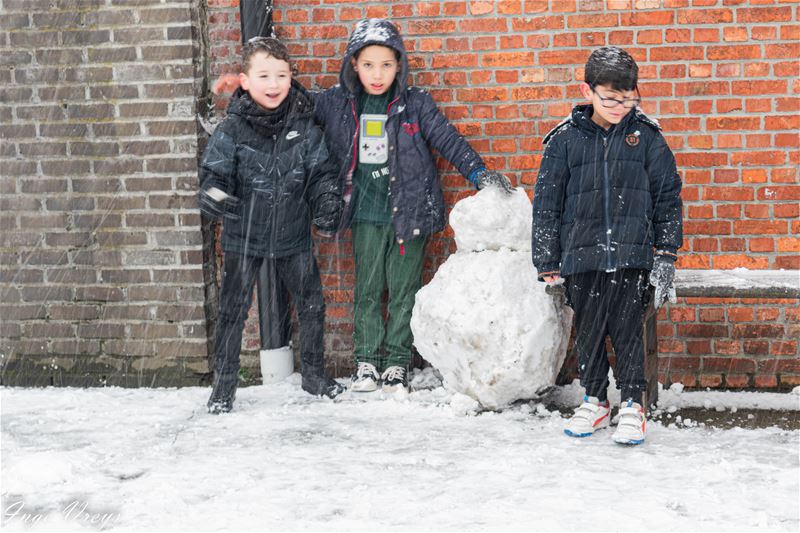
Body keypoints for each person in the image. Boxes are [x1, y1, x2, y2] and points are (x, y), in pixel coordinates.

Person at [315, 19, 514, 395]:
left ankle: (395, 363)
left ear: (399, 65)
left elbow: (448, 140)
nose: (378, 74)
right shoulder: (337, 103)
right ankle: (365, 361)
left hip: (410, 215)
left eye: (386, 65)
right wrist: (247, 88)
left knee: (405, 291)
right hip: (365, 216)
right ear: (354, 64)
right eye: (369, 64)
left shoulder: (415, 104)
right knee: (369, 290)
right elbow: (293, 103)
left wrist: (480, 174)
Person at [531, 46, 682, 444]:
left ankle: (633, 403)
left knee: (629, 330)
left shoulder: (647, 138)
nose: (620, 105)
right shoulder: (563, 141)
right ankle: (596, 399)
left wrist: (665, 254)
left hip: (632, 256)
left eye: (628, 98)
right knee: (591, 332)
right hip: (581, 257)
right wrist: (546, 256)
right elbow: (547, 201)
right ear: (587, 91)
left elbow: (668, 196)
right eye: (610, 98)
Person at [198, 37, 345, 414]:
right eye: (264, 75)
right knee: (232, 310)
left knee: (311, 304)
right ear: (245, 80)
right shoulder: (231, 130)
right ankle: (224, 387)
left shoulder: (305, 127)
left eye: (281, 74)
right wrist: (217, 197)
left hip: (293, 235)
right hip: (243, 237)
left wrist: (327, 201)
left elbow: (322, 174)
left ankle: (314, 375)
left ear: (291, 77)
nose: (274, 83)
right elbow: (212, 177)